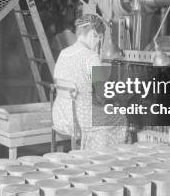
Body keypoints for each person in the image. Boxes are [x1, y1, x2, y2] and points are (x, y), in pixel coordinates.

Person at [52, 14, 128, 149]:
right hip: (79, 119)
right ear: (93, 33)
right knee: (120, 118)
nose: (98, 42)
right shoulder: (91, 57)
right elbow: (104, 93)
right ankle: (101, 158)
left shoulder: (63, 53)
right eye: (99, 38)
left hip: (60, 115)